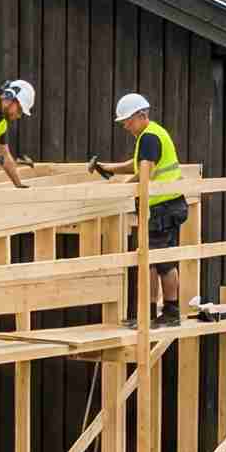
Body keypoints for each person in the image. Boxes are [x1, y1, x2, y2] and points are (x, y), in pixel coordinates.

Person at [92, 93, 189, 322]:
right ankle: (159, 314)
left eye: (128, 120)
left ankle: (160, 314)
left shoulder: (148, 137)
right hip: (169, 204)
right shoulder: (151, 134)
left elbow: (147, 173)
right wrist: (110, 168)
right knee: (158, 261)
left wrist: (123, 189)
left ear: (142, 115)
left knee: (155, 262)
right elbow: (138, 165)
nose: (125, 125)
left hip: (162, 207)